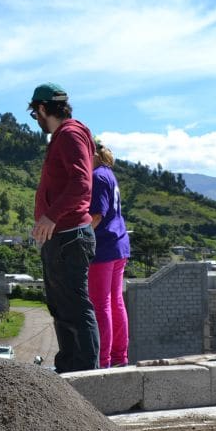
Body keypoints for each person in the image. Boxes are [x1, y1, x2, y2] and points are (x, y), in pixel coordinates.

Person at [28, 83, 98, 373]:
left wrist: (51, 216)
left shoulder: (69, 134)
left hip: (69, 236)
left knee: (75, 307)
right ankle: (70, 370)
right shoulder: (66, 135)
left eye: (35, 115)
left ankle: (85, 373)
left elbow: (82, 184)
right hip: (62, 238)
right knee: (62, 308)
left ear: (42, 109)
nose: (37, 120)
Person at [89, 136, 131, 368]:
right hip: (119, 244)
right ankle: (119, 356)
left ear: (93, 153)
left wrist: (79, 237)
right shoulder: (109, 175)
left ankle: (103, 359)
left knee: (100, 302)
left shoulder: (97, 177)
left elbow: (96, 215)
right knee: (115, 301)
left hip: (103, 248)